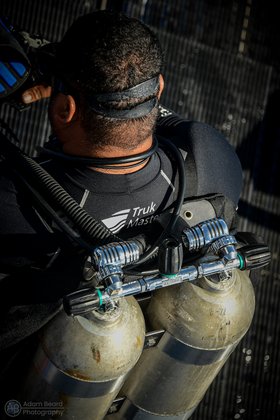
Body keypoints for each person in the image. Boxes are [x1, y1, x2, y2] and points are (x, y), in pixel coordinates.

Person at [0, 9, 242, 369]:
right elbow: (144, 110)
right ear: (159, 88)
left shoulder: (12, 203)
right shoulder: (212, 159)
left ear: (66, 110)